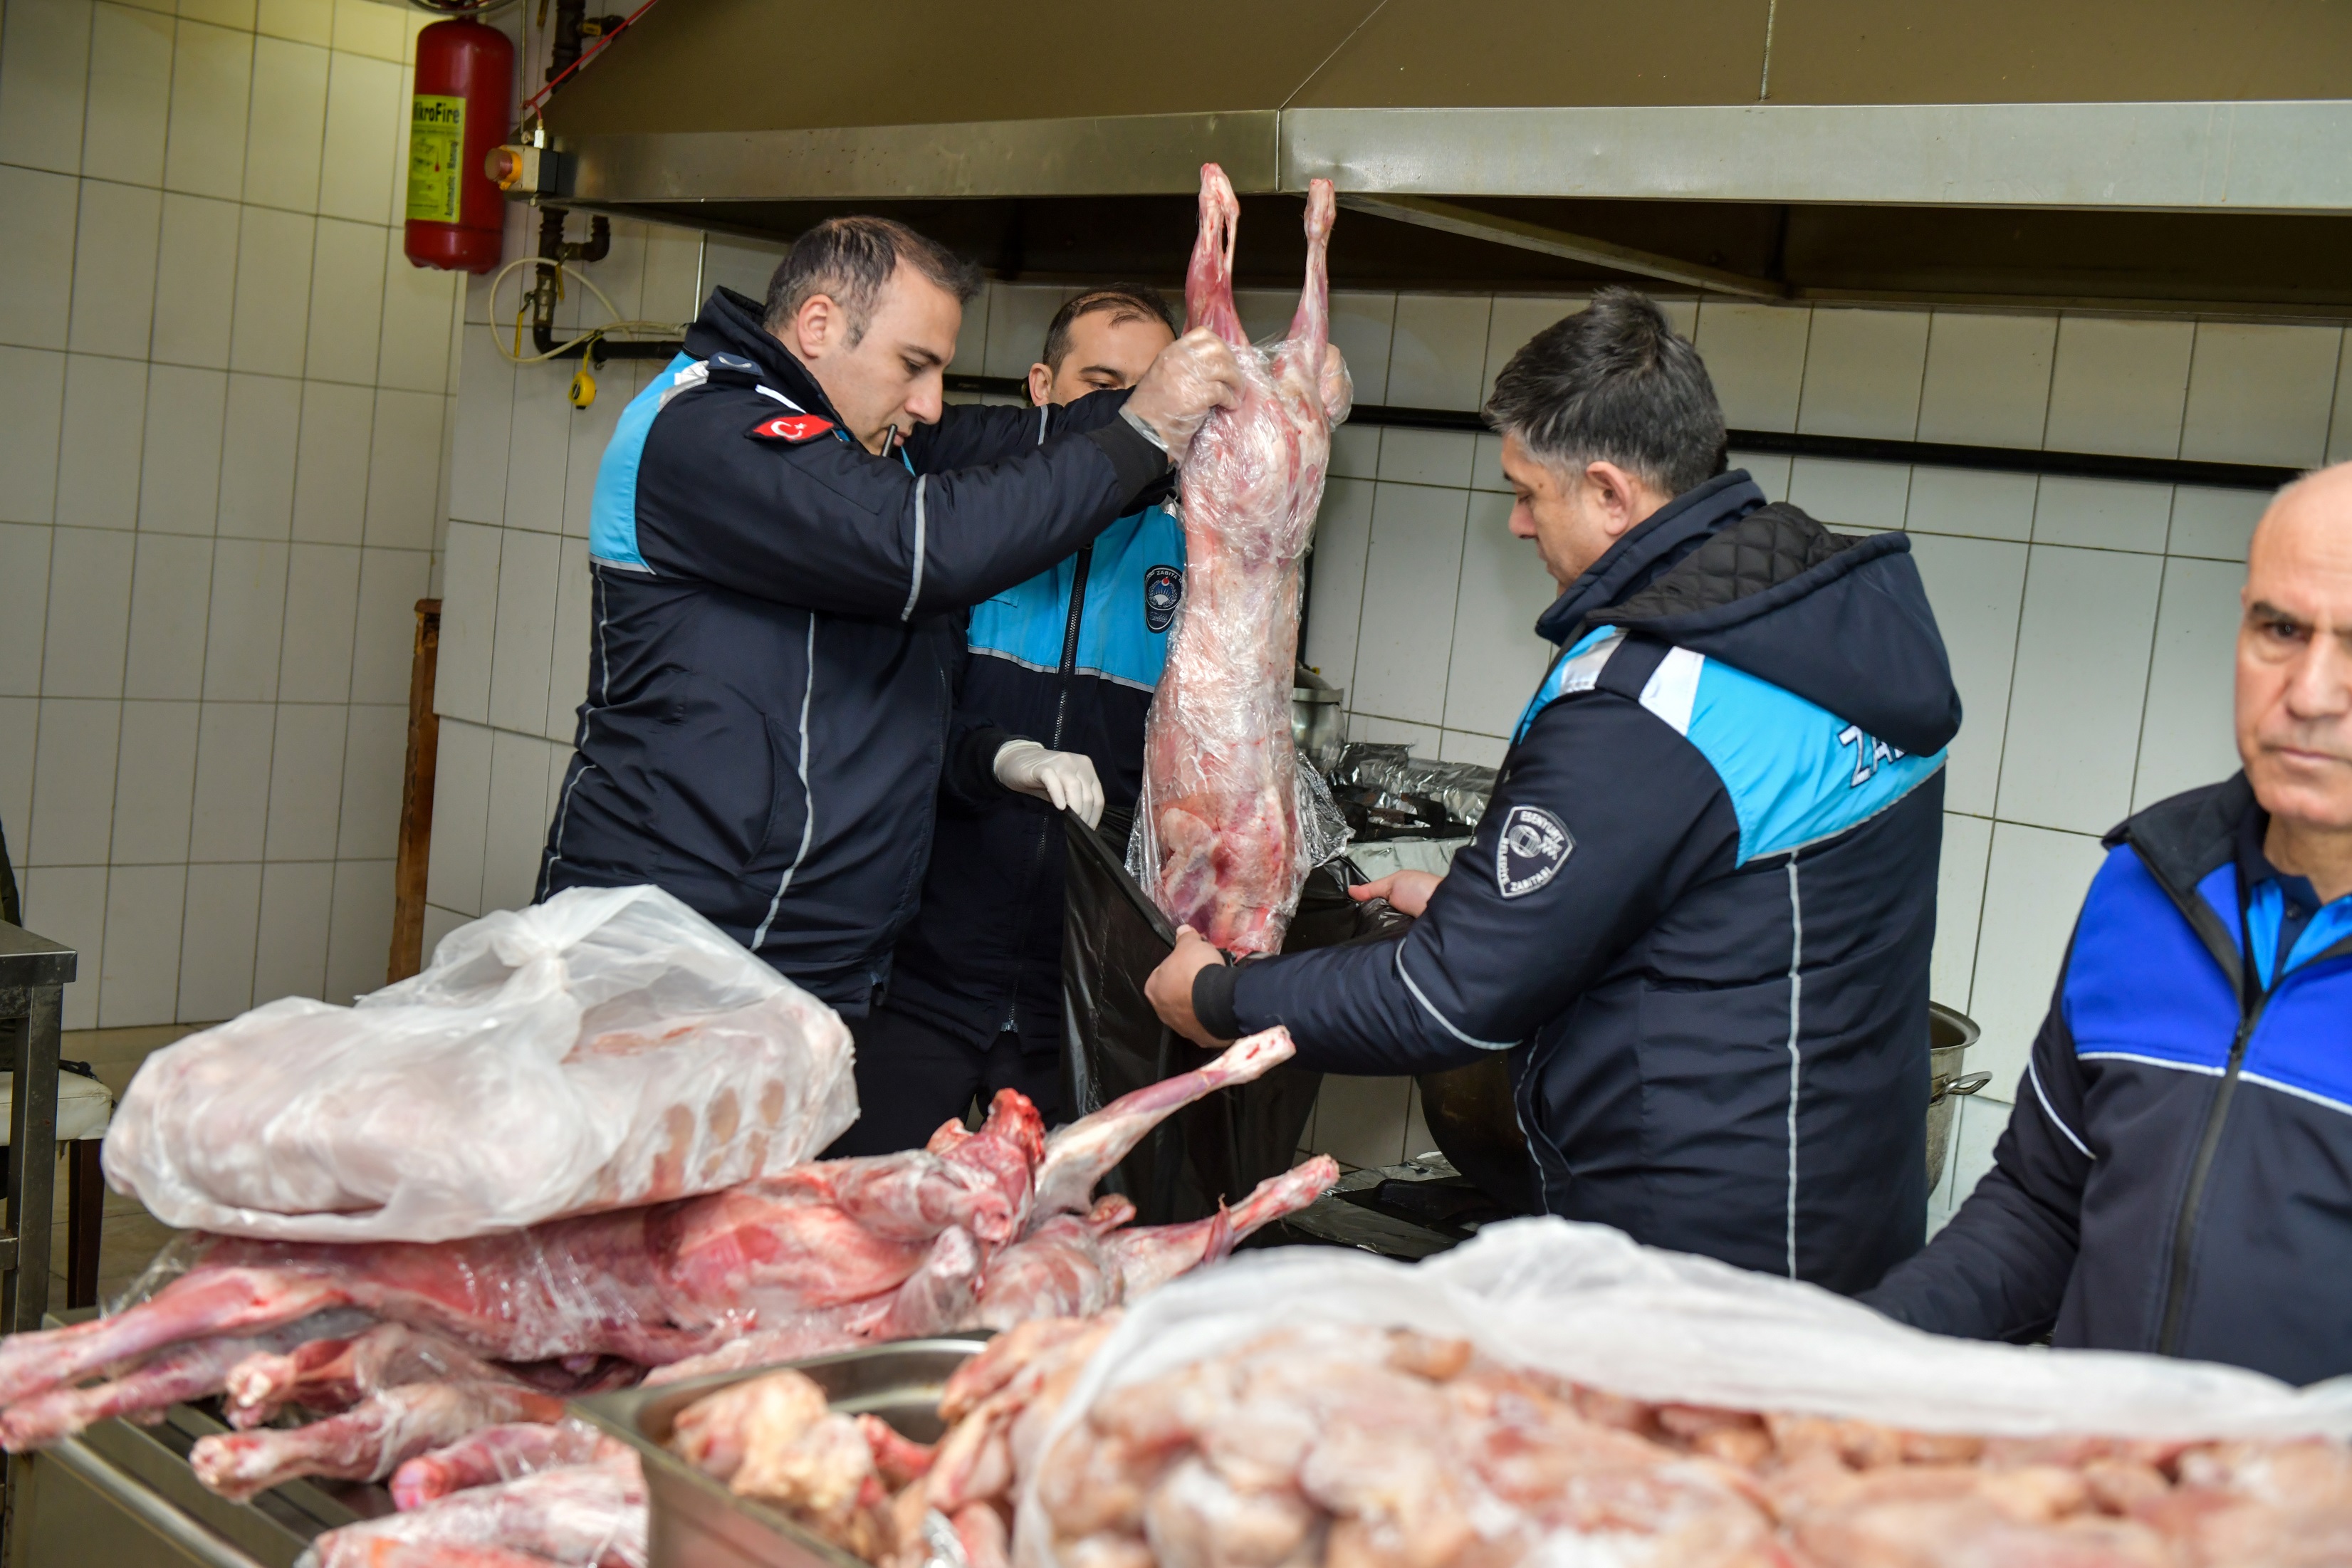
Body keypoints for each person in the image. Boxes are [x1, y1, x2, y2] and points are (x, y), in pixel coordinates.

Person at [1145, 287, 1962, 1294]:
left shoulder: (1651, 695)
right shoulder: (1833, 623)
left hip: (1695, 1264)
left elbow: (1443, 1002)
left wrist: (1220, 999)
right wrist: (1488, 910)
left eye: (1529, 491)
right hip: (1838, 1219)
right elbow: (1730, 899)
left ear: (1613, 495)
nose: (1517, 521)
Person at [538, 219, 1240, 1028]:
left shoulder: (870, 441)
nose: (930, 403)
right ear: (819, 326)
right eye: (914, 366)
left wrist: (1245, 387)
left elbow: (1046, 441)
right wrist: (1144, 430)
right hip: (677, 956)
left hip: (815, 969)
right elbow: (921, 544)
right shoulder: (710, 431)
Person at [1863, 463, 2352, 1382]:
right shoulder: (2144, 882)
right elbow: (2043, 1207)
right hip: (2097, 1502)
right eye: (2278, 629)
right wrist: (1865, 1339)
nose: (2310, 692)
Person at [835, 288, 1187, 1154]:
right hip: (916, 988)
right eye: (1104, 386)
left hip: (1075, 1011)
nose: (1136, 418)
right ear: (1043, 387)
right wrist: (1001, 756)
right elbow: (891, 723)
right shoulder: (956, 525)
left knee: (1045, 1267)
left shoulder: (1192, 554)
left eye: (1156, 392)